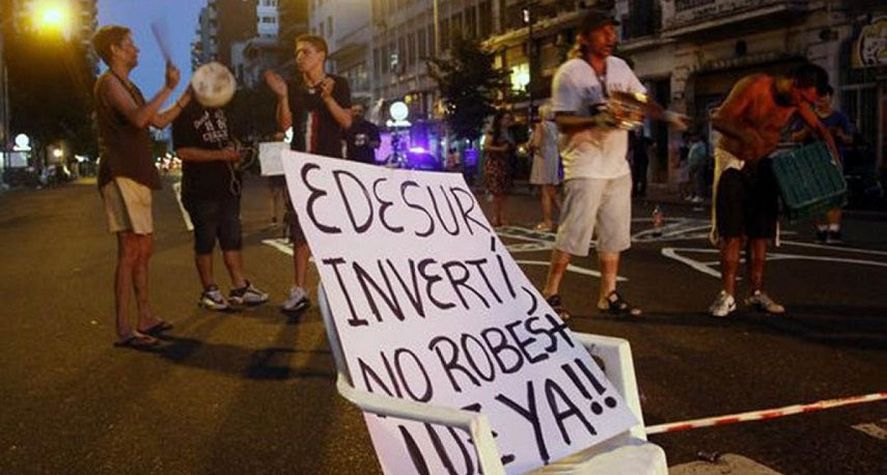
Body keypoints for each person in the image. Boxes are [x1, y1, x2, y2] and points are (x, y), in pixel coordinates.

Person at [541, 10, 678, 319]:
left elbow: (639, 100)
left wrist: (665, 115)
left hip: (617, 164)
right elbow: (562, 120)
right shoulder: (570, 73)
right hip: (584, 164)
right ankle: (551, 292)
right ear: (585, 37)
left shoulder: (619, 66)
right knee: (574, 231)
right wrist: (595, 119)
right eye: (603, 32)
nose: (610, 38)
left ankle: (608, 294)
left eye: (612, 32)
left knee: (614, 233)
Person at [708, 63, 839, 318]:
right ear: (792, 82)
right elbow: (719, 120)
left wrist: (833, 163)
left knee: (761, 233)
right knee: (732, 232)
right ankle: (727, 295)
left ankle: (757, 293)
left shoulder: (797, 101)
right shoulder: (754, 86)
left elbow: (820, 129)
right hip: (733, 162)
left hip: (764, 164)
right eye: (803, 98)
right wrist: (747, 136)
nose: (802, 105)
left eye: (808, 101)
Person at [92, 25, 190, 348]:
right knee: (130, 249)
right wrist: (166, 87)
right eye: (130, 45)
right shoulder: (108, 83)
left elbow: (157, 121)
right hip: (120, 171)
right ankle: (124, 328)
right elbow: (137, 119)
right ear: (115, 50)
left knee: (144, 249)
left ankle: (145, 316)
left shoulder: (129, 85)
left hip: (136, 172)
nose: (136, 50)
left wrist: (185, 96)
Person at [264, 34, 352, 314]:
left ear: (322, 55)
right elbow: (284, 124)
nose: (300, 57)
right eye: (298, 52)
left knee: (333, 231)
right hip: (301, 169)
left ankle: (339, 291)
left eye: (306, 51)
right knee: (301, 230)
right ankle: (299, 289)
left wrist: (328, 99)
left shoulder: (338, 84)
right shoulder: (293, 87)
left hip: (329, 169)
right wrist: (282, 97)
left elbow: (346, 121)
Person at [172, 89, 270, 311]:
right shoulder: (185, 113)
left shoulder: (220, 113)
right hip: (200, 189)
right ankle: (210, 290)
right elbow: (183, 152)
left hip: (227, 186)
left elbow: (227, 139)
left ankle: (239, 287)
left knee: (232, 238)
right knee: (205, 240)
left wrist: (235, 150)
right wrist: (220, 156)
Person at [791, 85, 854, 244]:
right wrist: (807, 130)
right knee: (817, 197)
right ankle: (821, 230)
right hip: (811, 160)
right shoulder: (807, 116)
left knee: (835, 194)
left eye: (824, 97)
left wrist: (839, 134)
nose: (821, 100)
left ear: (830, 98)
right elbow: (794, 137)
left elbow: (850, 139)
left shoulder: (839, 117)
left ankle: (834, 230)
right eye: (818, 97)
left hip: (833, 159)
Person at [529, 103, 562, 231]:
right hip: (554, 156)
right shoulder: (556, 127)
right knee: (552, 189)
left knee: (545, 191)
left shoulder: (541, 126)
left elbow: (537, 143)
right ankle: (564, 216)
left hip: (543, 157)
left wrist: (530, 145)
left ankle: (548, 221)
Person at [483, 110, 515, 227]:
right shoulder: (493, 132)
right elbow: (486, 146)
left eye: (508, 119)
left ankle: (502, 216)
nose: (506, 121)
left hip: (505, 164)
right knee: (496, 192)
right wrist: (500, 149)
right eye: (505, 119)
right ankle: (496, 216)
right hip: (494, 164)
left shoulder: (509, 133)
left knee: (504, 192)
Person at [686, 130, 708, 203]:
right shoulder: (693, 144)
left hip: (698, 165)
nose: (692, 138)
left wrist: (699, 164)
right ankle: (692, 194)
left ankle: (699, 196)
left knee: (698, 180)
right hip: (692, 164)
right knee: (692, 181)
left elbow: (702, 156)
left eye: (694, 136)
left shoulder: (701, 145)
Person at [629, 130, 652, 198]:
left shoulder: (644, 139)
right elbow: (631, 149)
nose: (638, 133)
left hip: (642, 159)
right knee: (635, 176)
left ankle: (641, 192)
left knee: (642, 176)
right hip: (636, 159)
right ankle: (635, 192)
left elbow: (653, 144)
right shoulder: (633, 140)